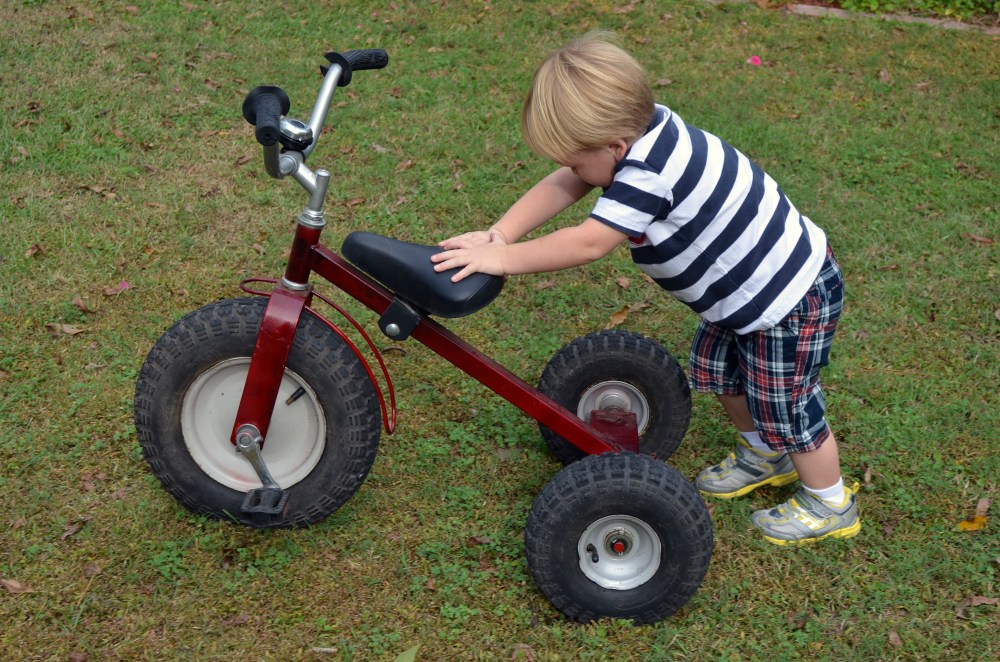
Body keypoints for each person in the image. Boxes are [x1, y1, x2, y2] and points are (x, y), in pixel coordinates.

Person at [431, 32, 859, 545]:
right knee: (720, 373)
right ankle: (766, 455)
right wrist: (502, 232)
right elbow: (568, 183)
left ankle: (830, 501)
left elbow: (589, 243)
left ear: (614, 146)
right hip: (744, 299)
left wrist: (501, 260)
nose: (571, 172)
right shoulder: (640, 129)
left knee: (785, 401)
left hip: (788, 298)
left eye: (575, 160)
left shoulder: (648, 172)